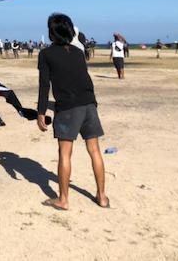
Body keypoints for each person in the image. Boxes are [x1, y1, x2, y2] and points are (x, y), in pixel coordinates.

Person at [37, 13, 109, 210]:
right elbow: (86, 79)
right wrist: (93, 102)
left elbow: (44, 85)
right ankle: (102, 196)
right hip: (88, 104)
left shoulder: (46, 54)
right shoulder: (78, 52)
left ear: (51, 33)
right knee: (94, 150)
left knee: (65, 154)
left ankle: (63, 199)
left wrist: (41, 112)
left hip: (68, 108)